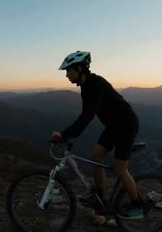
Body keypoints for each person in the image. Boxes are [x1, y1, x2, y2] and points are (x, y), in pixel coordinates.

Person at [51, 51, 142, 223]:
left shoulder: (96, 84)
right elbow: (86, 115)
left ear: (80, 68)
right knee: (96, 155)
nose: (67, 75)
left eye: (68, 71)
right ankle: (99, 198)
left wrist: (64, 135)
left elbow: (87, 116)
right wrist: (67, 134)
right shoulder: (86, 87)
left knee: (120, 168)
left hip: (126, 125)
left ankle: (137, 205)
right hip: (114, 126)